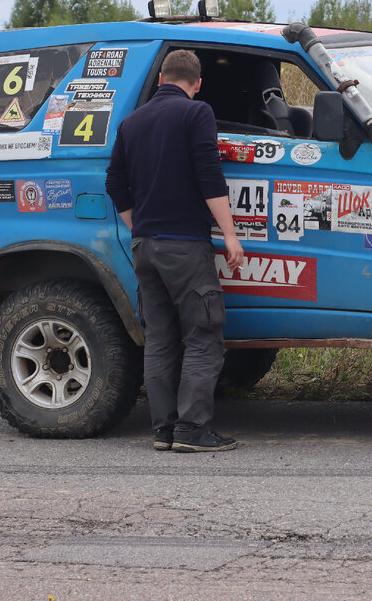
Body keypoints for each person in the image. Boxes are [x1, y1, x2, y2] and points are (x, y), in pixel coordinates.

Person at [105, 49, 245, 453]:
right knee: (203, 334)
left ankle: (164, 430)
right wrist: (231, 235)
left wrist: (140, 228)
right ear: (197, 83)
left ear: (162, 78)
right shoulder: (196, 113)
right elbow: (209, 175)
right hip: (185, 246)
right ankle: (192, 431)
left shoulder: (131, 122)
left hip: (145, 248)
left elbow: (115, 183)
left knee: (161, 339)